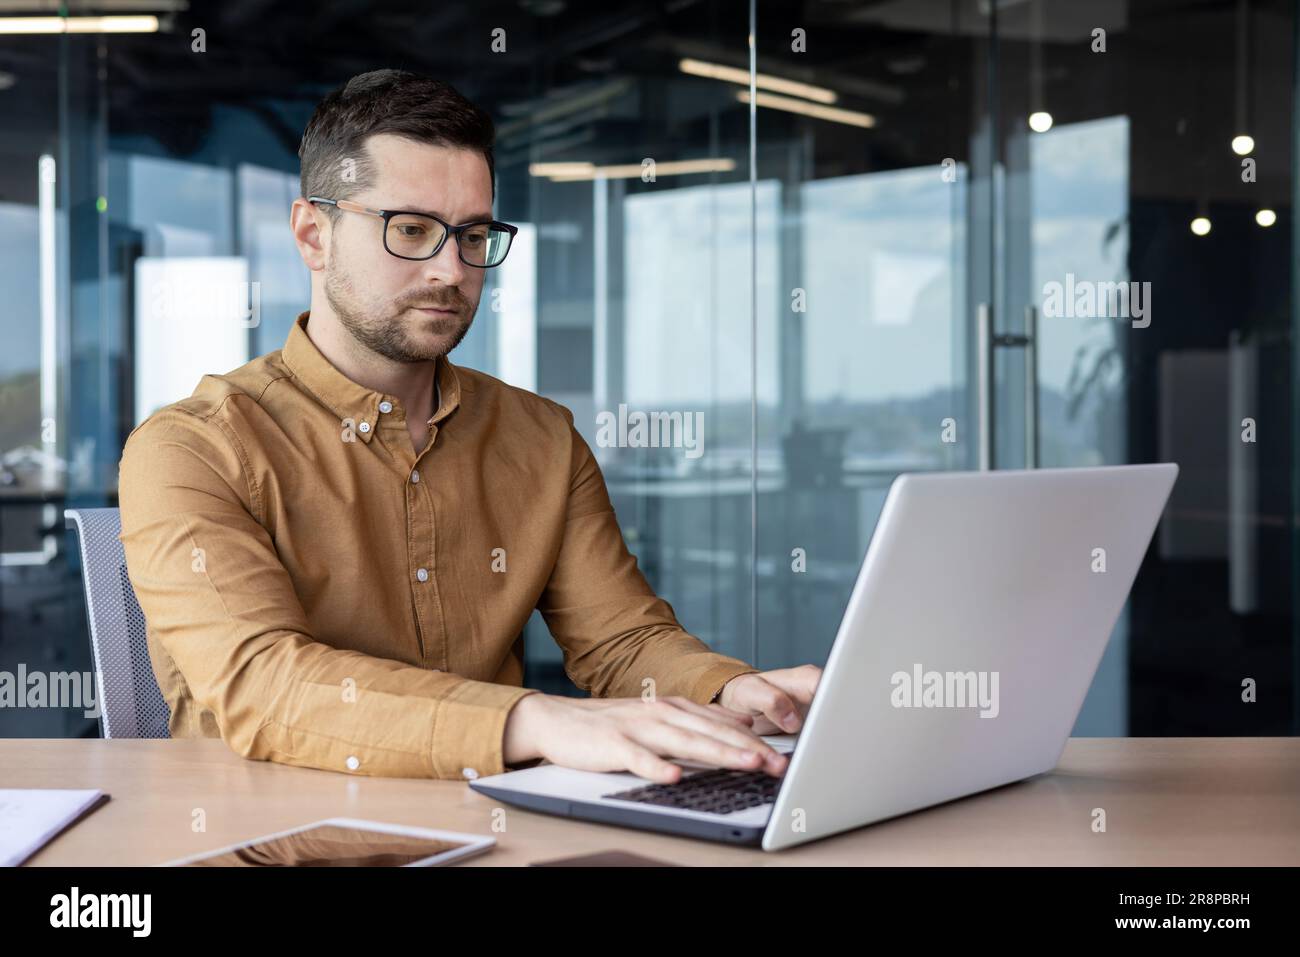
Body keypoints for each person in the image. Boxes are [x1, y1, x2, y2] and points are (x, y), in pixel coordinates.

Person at [119, 69, 820, 785]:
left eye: (474, 235)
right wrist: (533, 719)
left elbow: (621, 639)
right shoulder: (192, 449)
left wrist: (728, 694)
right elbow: (264, 683)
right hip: (272, 838)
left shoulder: (540, 436)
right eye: (412, 229)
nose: (452, 269)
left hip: (495, 826)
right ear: (313, 234)